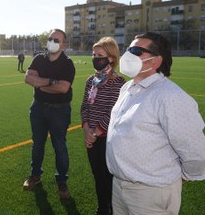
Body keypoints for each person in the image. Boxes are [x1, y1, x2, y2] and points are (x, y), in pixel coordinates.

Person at [106, 32, 205, 215]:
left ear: (155, 61)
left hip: (151, 192)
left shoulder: (170, 96)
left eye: (136, 50)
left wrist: (181, 176)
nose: (128, 55)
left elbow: (195, 149)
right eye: (128, 49)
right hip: (119, 185)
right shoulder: (127, 88)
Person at [23, 29, 75, 199]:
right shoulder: (39, 58)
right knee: (37, 143)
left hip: (59, 110)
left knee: (59, 145)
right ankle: (35, 175)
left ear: (63, 45)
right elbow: (28, 79)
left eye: (56, 40)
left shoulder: (67, 63)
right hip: (38, 107)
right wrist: (51, 82)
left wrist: (40, 84)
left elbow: (63, 88)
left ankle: (61, 181)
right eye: (50, 39)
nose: (52, 42)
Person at [80, 37, 125, 215]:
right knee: (98, 177)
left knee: (110, 179)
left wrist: (97, 131)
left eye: (100, 55)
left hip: (108, 140)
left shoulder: (119, 83)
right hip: (92, 138)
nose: (95, 58)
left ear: (111, 58)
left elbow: (114, 111)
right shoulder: (91, 80)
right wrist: (87, 131)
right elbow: (85, 106)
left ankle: (115, 209)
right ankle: (102, 209)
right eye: (94, 54)